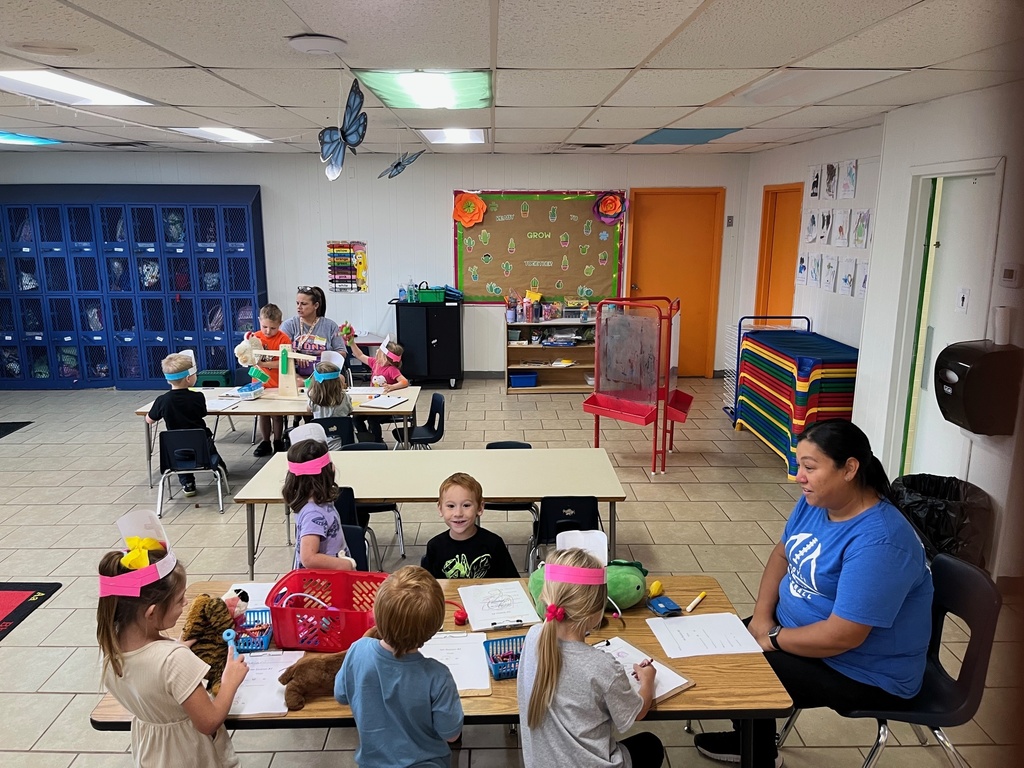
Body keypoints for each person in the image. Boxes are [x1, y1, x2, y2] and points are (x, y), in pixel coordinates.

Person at [694, 419, 934, 768]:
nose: (799, 477)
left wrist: (772, 639)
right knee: (716, 646)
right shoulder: (817, 502)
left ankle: (758, 753)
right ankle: (749, 737)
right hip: (797, 634)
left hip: (860, 668)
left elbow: (843, 636)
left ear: (849, 469)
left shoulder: (881, 541)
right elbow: (782, 554)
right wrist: (761, 619)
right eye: (799, 465)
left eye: (809, 467)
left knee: (743, 672)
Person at [97, 524, 248, 767]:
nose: (185, 603)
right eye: (179, 599)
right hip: (193, 757)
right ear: (151, 612)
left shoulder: (111, 652)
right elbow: (208, 722)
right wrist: (230, 681)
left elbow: (153, 684)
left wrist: (174, 650)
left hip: (153, 756)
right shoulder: (174, 660)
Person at [518, 547, 664, 768]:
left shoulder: (533, 636)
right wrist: (648, 681)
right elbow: (637, 712)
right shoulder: (602, 667)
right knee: (651, 745)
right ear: (596, 613)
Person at [335, 565, 463, 768]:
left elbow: (341, 695)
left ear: (377, 615)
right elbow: (451, 735)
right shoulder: (438, 676)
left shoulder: (358, 650)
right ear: (433, 629)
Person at [146, 352, 222, 498]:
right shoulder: (197, 396)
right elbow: (203, 413)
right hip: (201, 441)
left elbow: (149, 420)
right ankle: (219, 471)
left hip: (176, 445)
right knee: (209, 448)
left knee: (181, 459)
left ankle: (188, 484)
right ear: (188, 378)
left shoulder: (162, 400)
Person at [423, 472, 519, 579]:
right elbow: (426, 585)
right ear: (440, 509)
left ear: (480, 508)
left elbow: (513, 581)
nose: (458, 513)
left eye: (466, 505)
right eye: (451, 506)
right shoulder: (434, 546)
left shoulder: (494, 544)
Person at [282, 438, 356, 571]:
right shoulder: (313, 514)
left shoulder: (318, 501)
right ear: (329, 471)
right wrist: (345, 565)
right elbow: (308, 558)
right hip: (325, 580)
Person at [346, 337, 410, 442]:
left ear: (384, 357)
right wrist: (352, 342)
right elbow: (359, 355)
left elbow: (404, 382)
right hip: (372, 402)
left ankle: (378, 442)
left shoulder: (391, 370)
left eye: (379, 351)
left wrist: (392, 387)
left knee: (372, 420)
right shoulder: (375, 363)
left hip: (386, 407)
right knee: (356, 419)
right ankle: (366, 440)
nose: (376, 351)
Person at [280, 286, 348, 380]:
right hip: (297, 374)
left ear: (316, 305)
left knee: (340, 378)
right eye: (297, 303)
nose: (299, 307)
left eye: (304, 304)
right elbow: (281, 350)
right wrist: (296, 356)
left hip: (324, 373)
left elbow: (342, 352)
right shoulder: (289, 325)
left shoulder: (330, 326)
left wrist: (324, 358)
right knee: (296, 381)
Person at [250, 303, 291, 457]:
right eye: (265, 327)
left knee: (276, 415)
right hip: (259, 385)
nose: (268, 331)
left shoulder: (283, 339)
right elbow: (248, 357)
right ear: (259, 320)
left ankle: (278, 441)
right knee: (263, 414)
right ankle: (266, 441)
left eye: (273, 328)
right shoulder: (255, 338)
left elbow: (284, 363)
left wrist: (263, 364)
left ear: (280, 324)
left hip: (278, 384)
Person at [306, 361, 353, 450]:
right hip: (344, 443)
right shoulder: (345, 397)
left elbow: (308, 409)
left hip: (320, 445)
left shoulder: (313, 399)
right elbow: (349, 410)